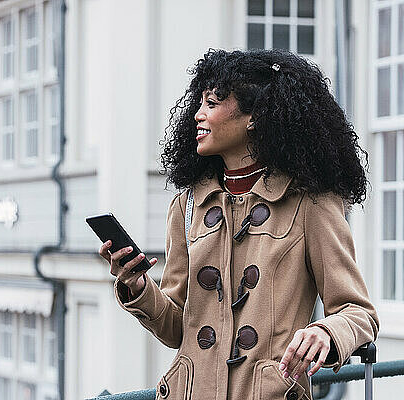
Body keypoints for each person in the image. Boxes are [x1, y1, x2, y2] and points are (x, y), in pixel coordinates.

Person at [98, 48, 379, 400]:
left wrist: (326, 332)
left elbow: (358, 312)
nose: (198, 115)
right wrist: (139, 287)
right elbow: (176, 330)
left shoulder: (311, 203)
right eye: (199, 103)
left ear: (254, 117)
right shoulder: (187, 205)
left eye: (212, 104)